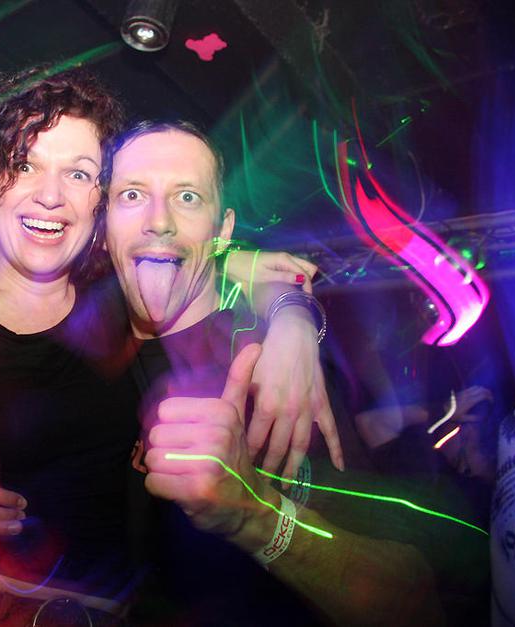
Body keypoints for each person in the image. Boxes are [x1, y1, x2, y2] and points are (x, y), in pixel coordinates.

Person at [0, 66, 340, 626]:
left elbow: (210, 258)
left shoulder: (116, 301)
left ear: (100, 201)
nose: (50, 196)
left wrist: (291, 323)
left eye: (78, 173)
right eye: (26, 165)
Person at [105, 121, 450, 625]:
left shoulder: (270, 368)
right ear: (103, 220)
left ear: (222, 230)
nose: (159, 220)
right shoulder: (81, 328)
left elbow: (410, 599)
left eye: (187, 197)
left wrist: (254, 515)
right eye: (133, 194)